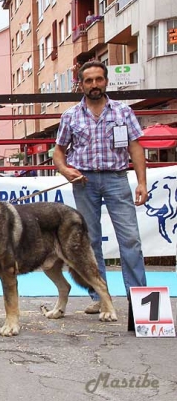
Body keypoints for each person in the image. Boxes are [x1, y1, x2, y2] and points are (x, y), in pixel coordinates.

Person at [53, 60, 147, 316]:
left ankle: (139, 301)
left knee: (130, 239)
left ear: (106, 81)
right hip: (84, 183)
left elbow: (135, 147)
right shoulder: (70, 116)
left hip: (117, 179)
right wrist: (64, 170)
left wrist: (141, 182)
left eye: (99, 79)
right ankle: (100, 297)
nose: (94, 85)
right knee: (90, 242)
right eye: (89, 80)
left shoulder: (123, 112)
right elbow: (58, 152)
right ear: (81, 85)